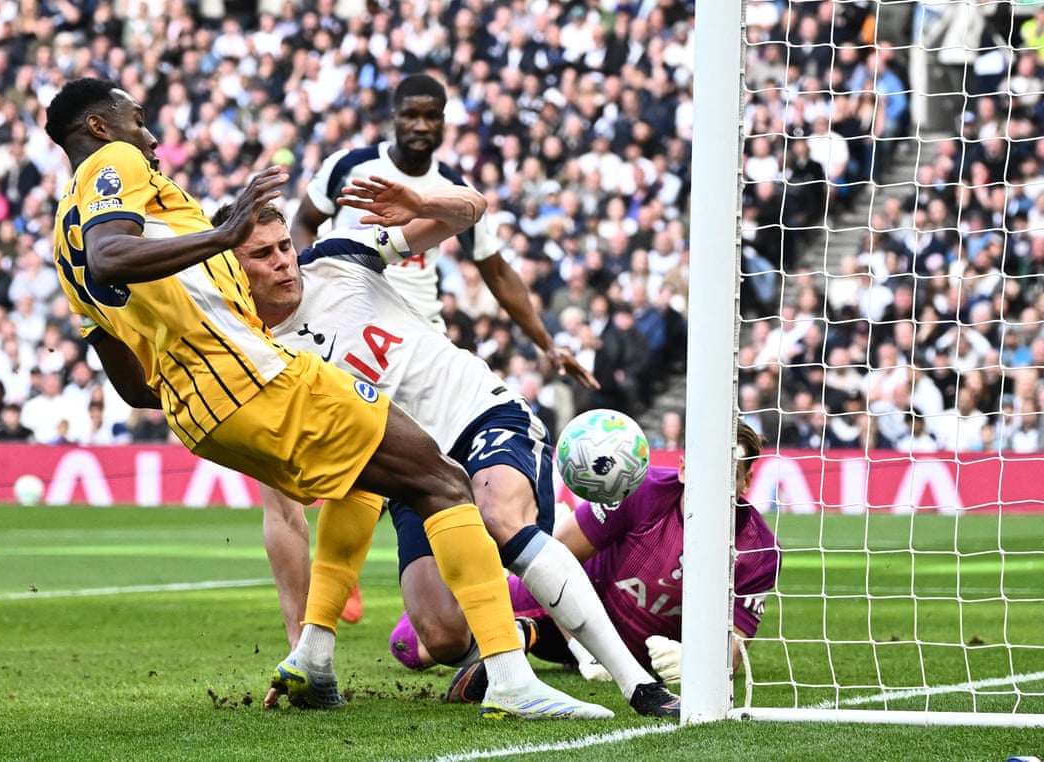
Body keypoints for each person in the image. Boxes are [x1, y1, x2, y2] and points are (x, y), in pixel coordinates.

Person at [44, 78, 610, 721]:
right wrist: (225, 237)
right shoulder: (115, 161)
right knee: (442, 481)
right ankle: (510, 678)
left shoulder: (62, 241)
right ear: (99, 126)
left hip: (200, 415)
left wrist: (197, 377)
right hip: (257, 379)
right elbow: (112, 256)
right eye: (137, 119)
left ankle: (312, 656)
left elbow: (128, 383)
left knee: (366, 487)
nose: (150, 137)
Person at [218, 178, 680, 718]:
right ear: (230, 269)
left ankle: (638, 687)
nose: (284, 262)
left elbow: (473, 208)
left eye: (283, 246)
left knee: (499, 516)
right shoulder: (254, 354)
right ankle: (513, 644)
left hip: (479, 413)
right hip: (409, 467)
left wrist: (422, 205)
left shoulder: (338, 256)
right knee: (439, 634)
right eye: (262, 255)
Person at [287, 71, 596, 628]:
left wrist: (547, 344)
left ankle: (463, 592)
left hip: (417, 338)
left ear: (445, 121)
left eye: (432, 116)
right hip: (348, 328)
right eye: (411, 114)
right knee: (362, 456)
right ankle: (340, 581)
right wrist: (306, 290)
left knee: (412, 466)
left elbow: (496, 272)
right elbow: (302, 224)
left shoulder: (449, 186)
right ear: (393, 116)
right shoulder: (347, 167)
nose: (421, 125)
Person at [416, 422, 780, 695]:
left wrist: (695, 662)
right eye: (705, 472)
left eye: (729, 476)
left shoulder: (760, 552)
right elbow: (556, 558)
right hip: (566, 599)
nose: (714, 486)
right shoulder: (643, 492)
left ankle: (525, 635)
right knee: (416, 644)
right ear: (684, 469)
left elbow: (733, 654)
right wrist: (580, 647)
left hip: (634, 649)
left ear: (747, 481)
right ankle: (523, 629)